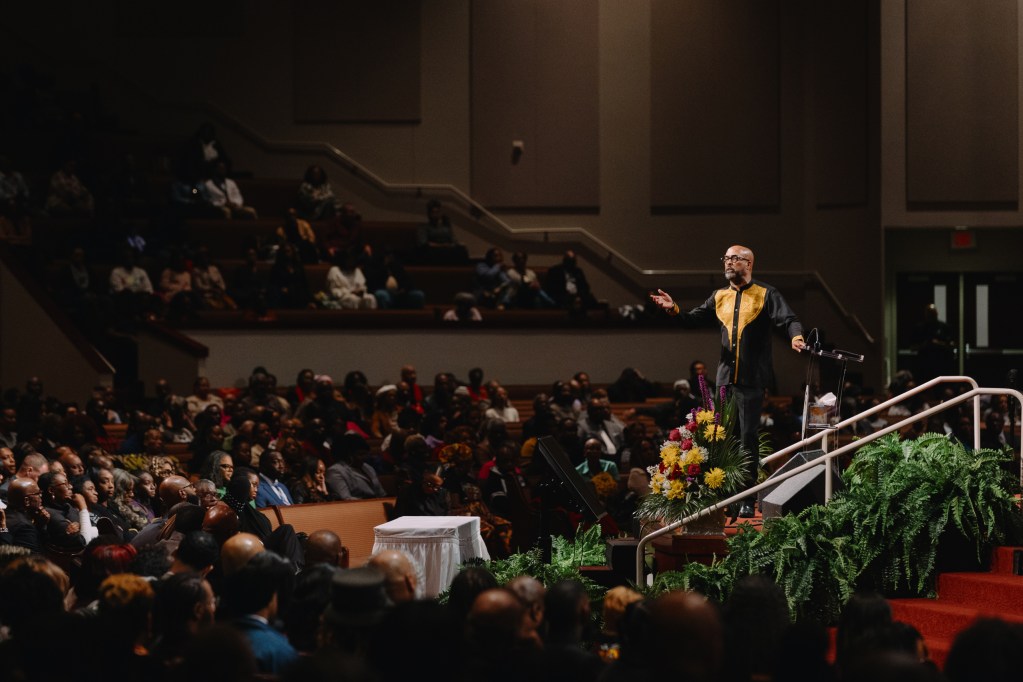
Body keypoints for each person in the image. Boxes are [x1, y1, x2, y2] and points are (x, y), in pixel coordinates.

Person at [650, 244, 805, 517]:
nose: (728, 263)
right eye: (726, 258)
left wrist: (796, 336)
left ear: (749, 264)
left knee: (747, 438)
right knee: (722, 438)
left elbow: (788, 318)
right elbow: (692, 319)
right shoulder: (719, 295)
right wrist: (673, 308)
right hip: (724, 381)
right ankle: (726, 495)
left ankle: (747, 496)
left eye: (735, 258)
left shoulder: (765, 293)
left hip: (751, 379)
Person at [415, 199, 469, 264]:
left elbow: (453, 239)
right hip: (434, 250)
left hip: (447, 249)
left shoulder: (445, 226)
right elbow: (424, 244)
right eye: (433, 213)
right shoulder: (424, 227)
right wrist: (442, 245)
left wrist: (456, 244)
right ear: (429, 214)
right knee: (430, 253)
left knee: (462, 251)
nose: (435, 215)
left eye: (437, 212)